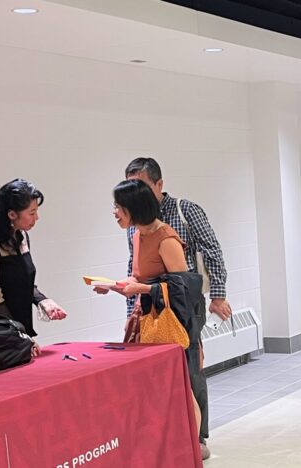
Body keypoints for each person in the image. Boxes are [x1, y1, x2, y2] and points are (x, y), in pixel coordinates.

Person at [121, 157, 230, 460]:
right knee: (156, 373)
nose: (135, 192)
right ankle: (167, 434)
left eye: (141, 185)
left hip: (183, 305)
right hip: (149, 308)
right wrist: (131, 306)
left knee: (190, 368)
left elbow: (211, 251)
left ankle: (198, 436)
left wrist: (218, 295)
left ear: (159, 184)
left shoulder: (183, 212)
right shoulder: (134, 226)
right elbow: (134, 266)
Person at [108, 179, 203, 439]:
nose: (114, 213)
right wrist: (115, 285)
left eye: (118, 207)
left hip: (170, 323)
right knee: (154, 388)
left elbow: (183, 288)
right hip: (147, 320)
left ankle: (191, 447)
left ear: (134, 208)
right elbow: (141, 276)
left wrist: (140, 288)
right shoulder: (138, 234)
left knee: (181, 387)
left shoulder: (166, 237)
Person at [0, 179, 67, 357]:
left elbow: (23, 282)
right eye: (32, 212)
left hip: (17, 330)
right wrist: (19, 334)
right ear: (12, 214)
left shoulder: (21, 237)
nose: (36, 218)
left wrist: (43, 301)